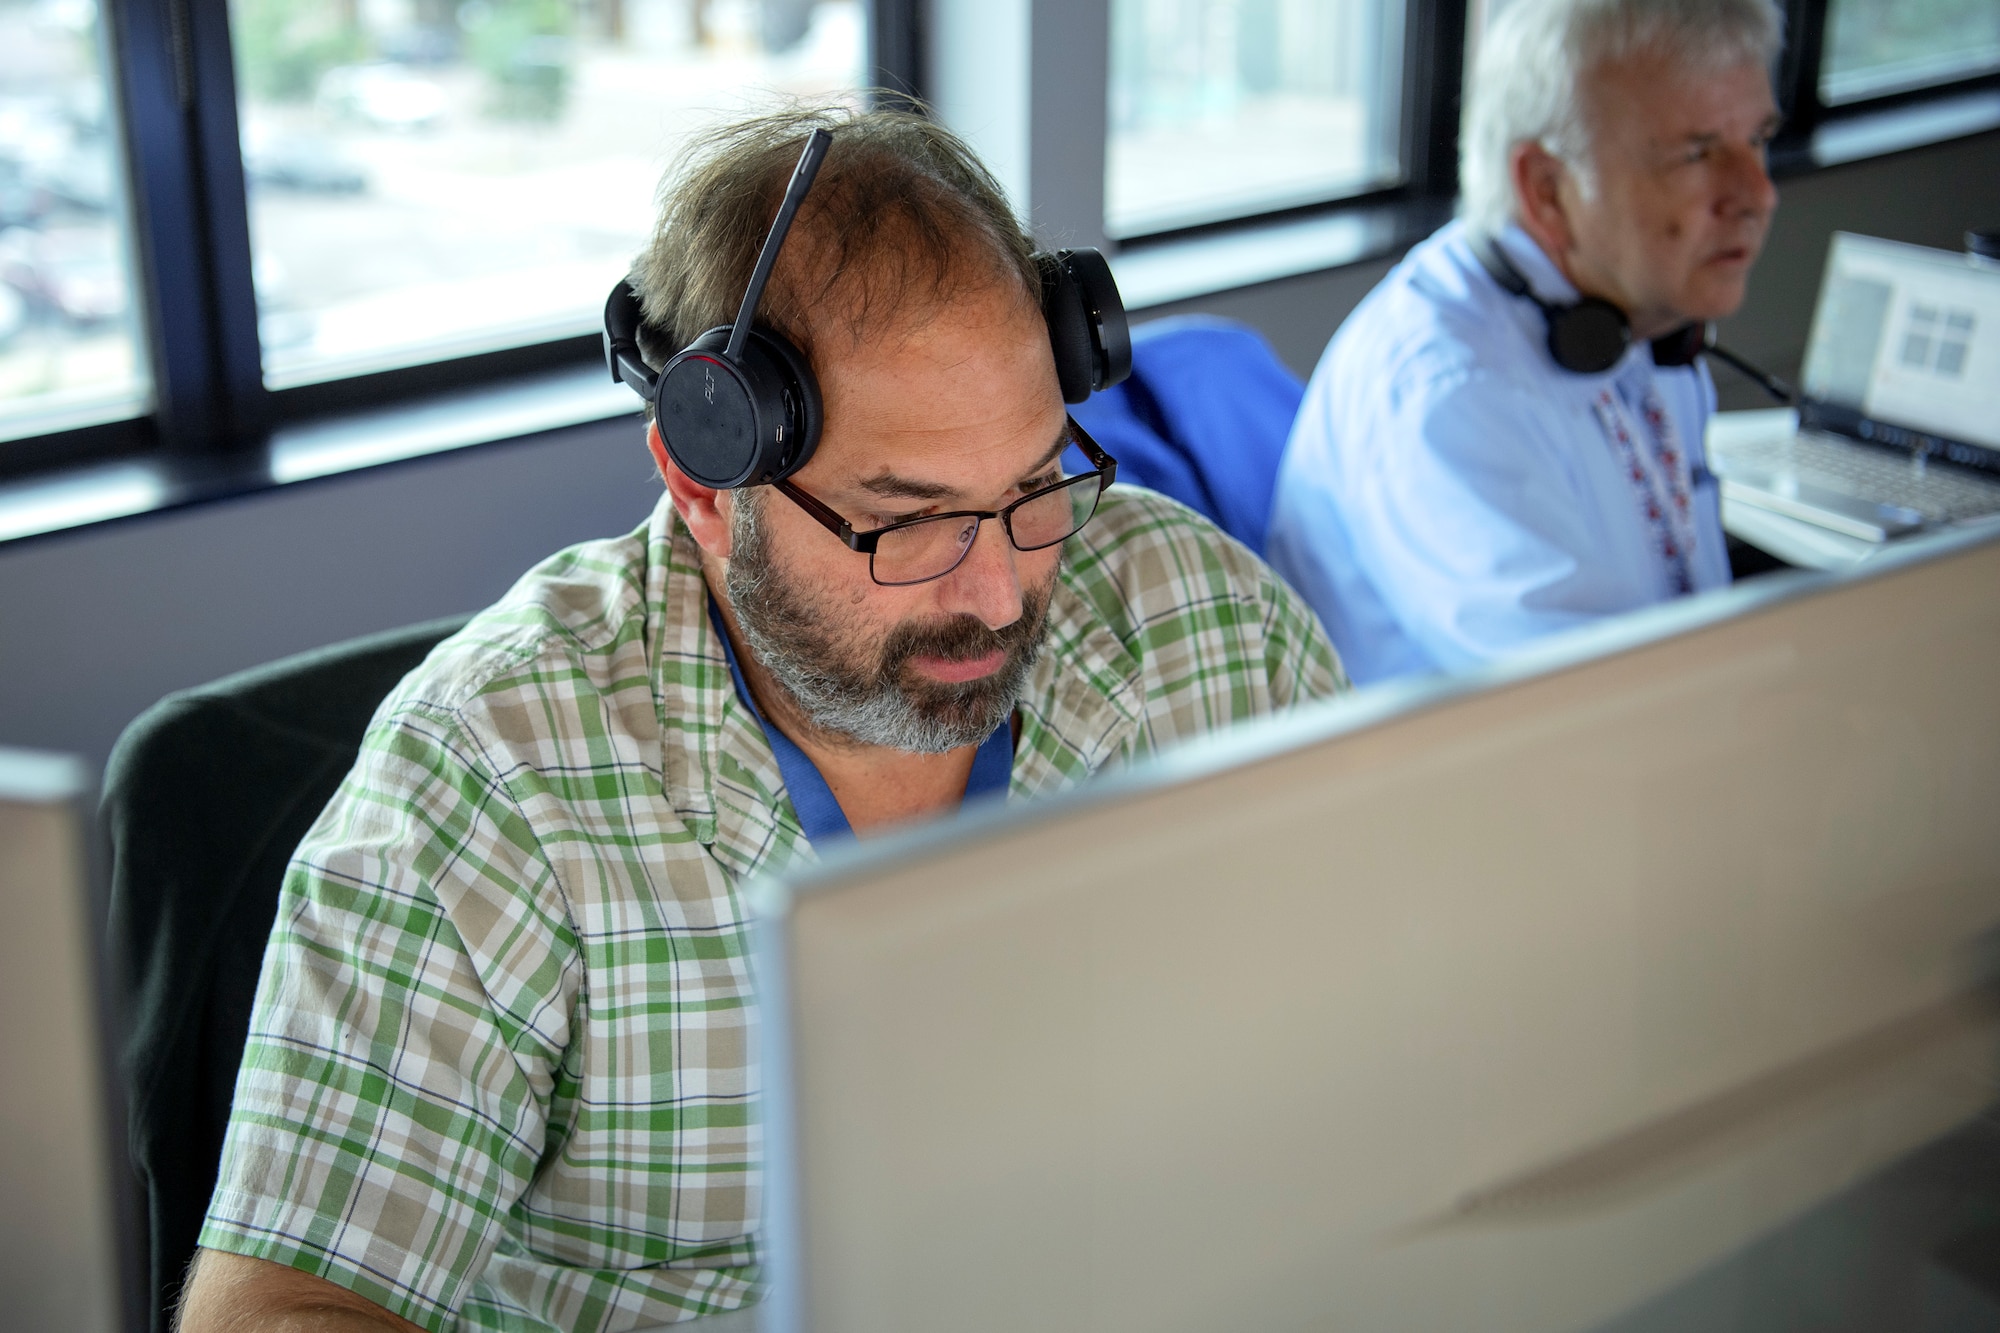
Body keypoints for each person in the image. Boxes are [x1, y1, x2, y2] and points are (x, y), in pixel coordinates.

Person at [176, 107, 1344, 1333]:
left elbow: (1397, 1039)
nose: (999, 594)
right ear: (704, 485)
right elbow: (276, 1311)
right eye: (910, 521)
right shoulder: (489, 773)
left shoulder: (1205, 621)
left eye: (1033, 485)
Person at [1266, 0, 1783, 684]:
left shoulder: (1636, 318)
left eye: (1759, 140)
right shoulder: (1448, 395)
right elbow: (1601, 705)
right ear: (1546, 188)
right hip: (1489, 779)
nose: (1757, 193)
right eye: (1697, 152)